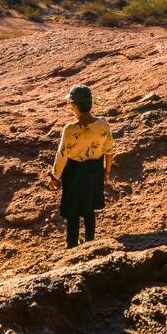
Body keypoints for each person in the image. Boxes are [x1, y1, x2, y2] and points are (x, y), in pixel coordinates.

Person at [47, 85, 114, 248]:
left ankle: (71, 246)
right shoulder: (103, 124)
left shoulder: (70, 129)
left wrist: (54, 178)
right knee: (89, 207)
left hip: (74, 172)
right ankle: (90, 242)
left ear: (74, 106)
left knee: (73, 211)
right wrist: (107, 171)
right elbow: (109, 151)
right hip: (95, 170)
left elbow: (61, 155)